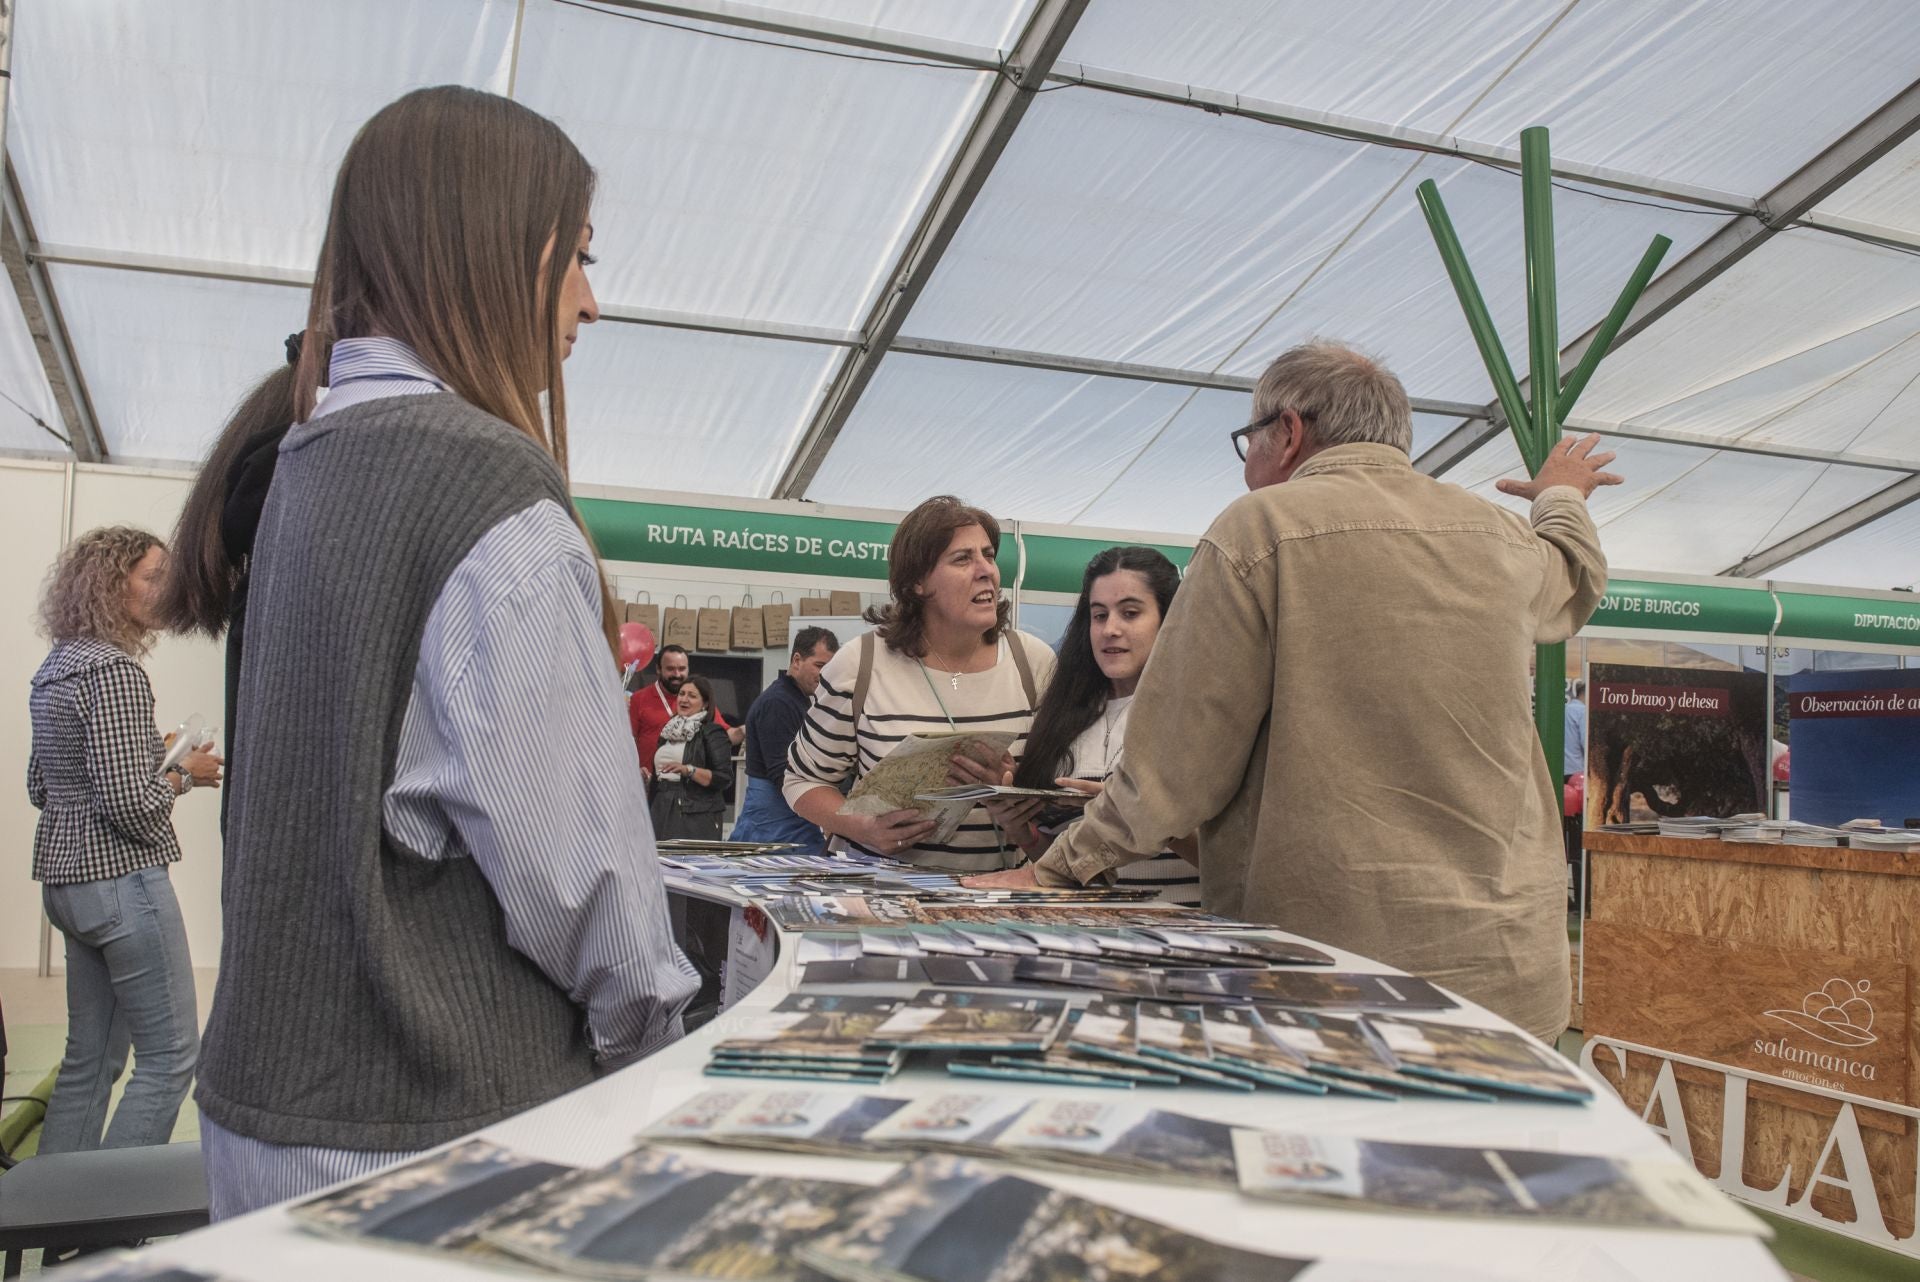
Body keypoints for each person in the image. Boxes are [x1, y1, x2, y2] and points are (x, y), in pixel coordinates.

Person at [178, 86, 698, 1218]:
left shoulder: (302, 460)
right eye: (577, 259)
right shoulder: (484, 487)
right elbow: (591, 892)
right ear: (492, 249)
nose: (591, 305)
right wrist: (660, 1054)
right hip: (435, 1138)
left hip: (267, 1103)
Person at [969, 341, 1613, 1046]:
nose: (1247, 466)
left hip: (1335, 978)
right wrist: (1559, 494)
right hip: (1508, 973)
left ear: (1289, 432)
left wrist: (1054, 872)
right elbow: (1575, 576)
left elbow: (1174, 766)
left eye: (1249, 441)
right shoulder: (1497, 535)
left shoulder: (1259, 530)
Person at [28, 526, 223, 1152]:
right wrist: (182, 773)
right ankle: (109, 1223)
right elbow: (133, 807)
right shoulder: (115, 673)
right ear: (113, 585)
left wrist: (148, 749)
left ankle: (61, 1224)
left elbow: (45, 787)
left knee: (90, 1061)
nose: (163, 588)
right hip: (121, 885)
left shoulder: (56, 668)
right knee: (170, 1056)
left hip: (67, 887)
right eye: (151, 576)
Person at [783, 496, 1056, 871]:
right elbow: (801, 780)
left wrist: (1007, 786)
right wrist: (863, 827)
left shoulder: (1034, 663)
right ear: (916, 584)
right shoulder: (859, 664)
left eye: (989, 555)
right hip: (879, 899)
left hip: (996, 901)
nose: (986, 571)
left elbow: (1057, 792)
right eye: (963, 559)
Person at [998, 547, 1200, 904]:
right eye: (1099, 615)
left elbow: (1233, 860)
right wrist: (1023, 832)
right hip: (1084, 935)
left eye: (1130, 613)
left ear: (1168, 620)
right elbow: (1062, 870)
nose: (1111, 629)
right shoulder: (1061, 715)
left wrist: (1143, 815)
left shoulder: (1201, 717)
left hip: (1182, 936)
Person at [730, 627, 839, 852]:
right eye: (819, 666)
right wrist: (832, 817)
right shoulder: (778, 703)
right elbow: (784, 773)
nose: (825, 675)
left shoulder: (800, 700)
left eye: (830, 668)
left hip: (791, 825)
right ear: (797, 660)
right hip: (774, 831)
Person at [629, 644, 735, 781]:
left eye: (682, 669)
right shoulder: (639, 699)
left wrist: (745, 730)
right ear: (658, 670)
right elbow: (626, 742)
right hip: (649, 783)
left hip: (690, 786)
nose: (677, 674)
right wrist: (633, 768)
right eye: (670, 669)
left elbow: (725, 734)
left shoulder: (699, 701)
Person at [649, 675, 736, 840]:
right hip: (661, 805)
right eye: (682, 694)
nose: (684, 699)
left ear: (705, 703)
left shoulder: (712, 732)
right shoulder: (668, 731)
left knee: (686, 863)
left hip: (695, 813)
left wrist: (689, 770)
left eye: (692, 696)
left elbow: (723, 778)